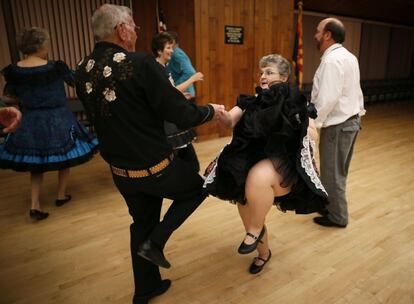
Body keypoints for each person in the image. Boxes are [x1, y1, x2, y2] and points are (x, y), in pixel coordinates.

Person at [74, 5, 223, 304]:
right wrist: (212, 112)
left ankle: (146, 288)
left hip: (120, 171)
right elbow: (179, 113)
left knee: (141, 222)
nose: (137, 31)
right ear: (121, 30)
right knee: (199, 188)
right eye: (133, 25)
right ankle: (156, 242)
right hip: (154, 167)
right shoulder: (139, 63)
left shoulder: (83, 68)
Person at [204, 54, 328, 274]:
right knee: (247, 208)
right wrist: (220, 114)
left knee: (258, 178)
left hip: (280, 164)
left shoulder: (294, 100)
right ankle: (263, 252)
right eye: (261, 72)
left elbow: (313, 134)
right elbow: (230, 121)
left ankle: (254, 229)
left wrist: (296, 124)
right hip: (247, 160)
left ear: (284, 76)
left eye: (269, 72)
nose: (263, 76)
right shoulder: (251, 102)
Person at [0, 27, 98, 221]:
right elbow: (76, 83)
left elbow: (8, 97)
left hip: (31, 120)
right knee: (65, 155)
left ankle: (34, 205)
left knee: (35, 164)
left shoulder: (14, 71)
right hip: (58, 118)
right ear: (41, 45)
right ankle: (61, 196)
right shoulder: (56, 67)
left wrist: (26, 97)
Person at [311, 18, 364, 228]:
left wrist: (313, 124)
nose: (315, 35)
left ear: (327, 35)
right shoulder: (349, 57)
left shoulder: (332, 61)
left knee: (333, 173)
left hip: (339, 125)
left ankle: (338, 217)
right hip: (350, 121)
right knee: (336, 171)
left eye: (318, 31)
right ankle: (329, 205)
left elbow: (327, 98)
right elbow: (355, 91)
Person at [151, 32, 203, 172]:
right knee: (183, 161)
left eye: (171, 47)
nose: (172, 51)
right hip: (167, 121)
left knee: (187, 160)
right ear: (159, 50)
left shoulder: (162, 67)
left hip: (172, 116)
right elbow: (167, 93)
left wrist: (179, 95)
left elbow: (169, 91)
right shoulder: (156, 69)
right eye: (168, 47)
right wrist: (193, 79)